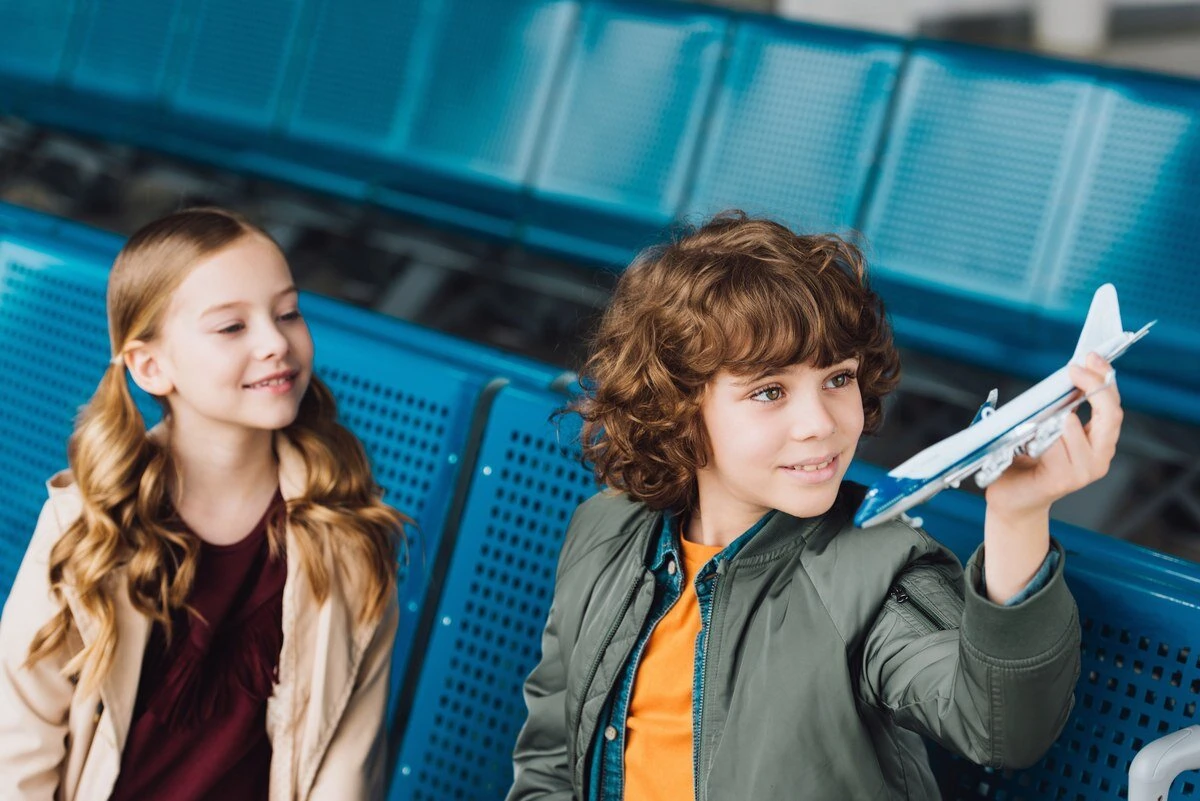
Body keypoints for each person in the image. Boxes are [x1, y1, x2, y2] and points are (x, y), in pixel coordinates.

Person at [508, 212, 1121, 800]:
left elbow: (996, 726)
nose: (819, 424)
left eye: (838, 379)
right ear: (678, 405)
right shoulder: (605, 530)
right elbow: (552, 760)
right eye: (770, 391)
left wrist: (1018, 515)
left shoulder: (879, 569)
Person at [0, 208, 407, 801]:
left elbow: (347, 764)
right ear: (150, 366)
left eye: (288, 313)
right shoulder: (86, 525)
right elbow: (17, 746)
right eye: (231, 328)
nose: (275, 342)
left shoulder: (347, 533)